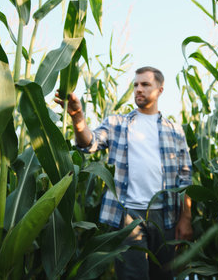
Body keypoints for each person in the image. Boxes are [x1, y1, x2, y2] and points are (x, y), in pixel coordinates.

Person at [55, 66, 193, 279]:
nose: (138, 89)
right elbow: (88, 143)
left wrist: (186, 219)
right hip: (127, 216)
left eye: (145, 84)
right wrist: (77, 117)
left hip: (165, 216)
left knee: (164, 275)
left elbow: (185, 177)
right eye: (136, 84)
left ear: (160, 90)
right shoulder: (116, 123)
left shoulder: (175, 130)